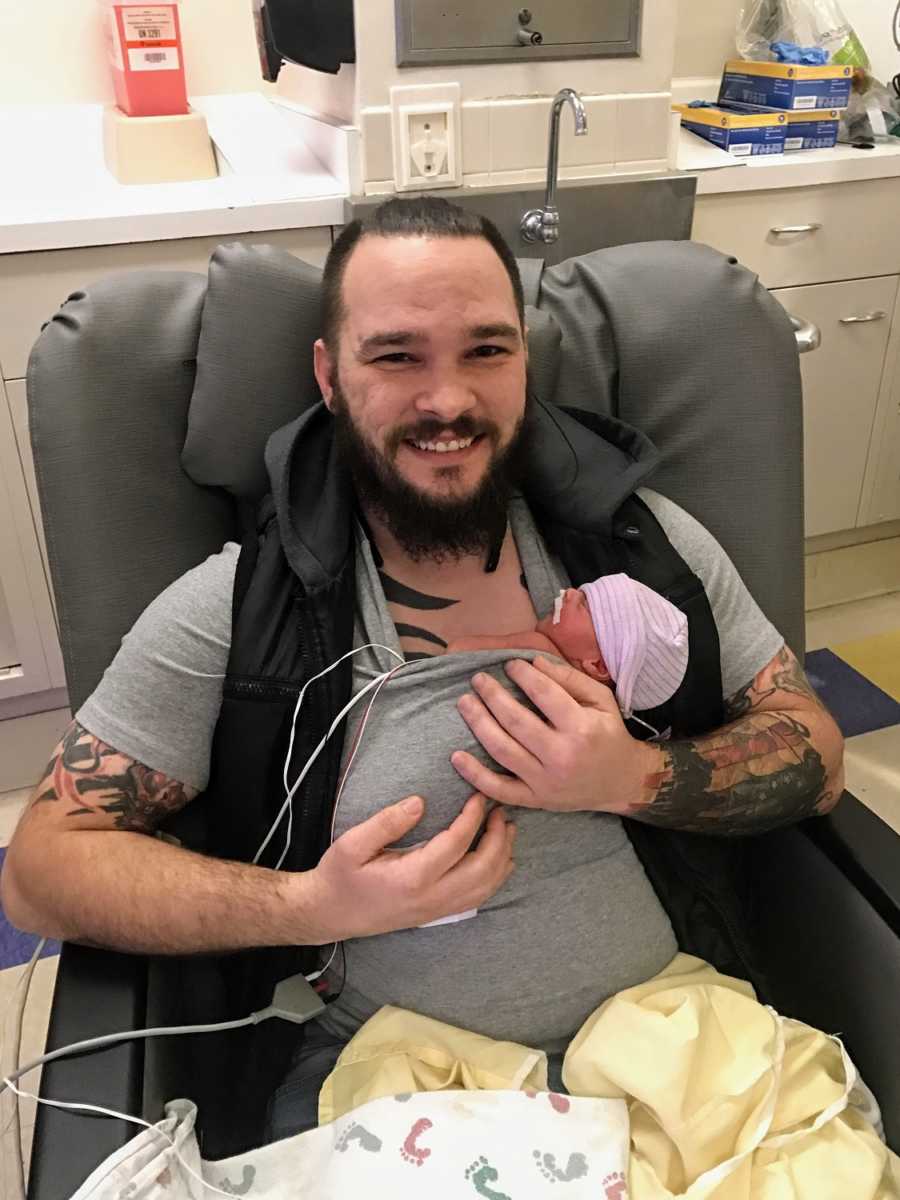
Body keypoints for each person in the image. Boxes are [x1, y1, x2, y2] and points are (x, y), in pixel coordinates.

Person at [1, 196, 845, 1144]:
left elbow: (814, 750)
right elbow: (40, 869)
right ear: (329, 374)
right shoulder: (240, 614)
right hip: (404, 1096)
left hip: (677, 1061)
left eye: (486, 351)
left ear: (524, 359)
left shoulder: (641, 551)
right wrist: (310, 904)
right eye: (396, 356)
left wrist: (638, 778)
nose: (448, 401)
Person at [446, 576, 690, 723]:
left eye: (585, 605)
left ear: (598, 665)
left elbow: (457, 651)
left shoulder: (539, 651)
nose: (570, 593)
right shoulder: (595, 725)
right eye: (582, 592)